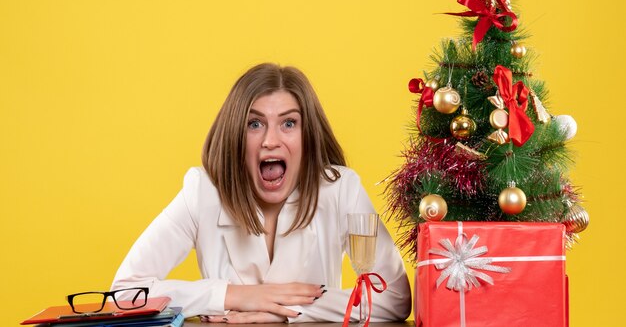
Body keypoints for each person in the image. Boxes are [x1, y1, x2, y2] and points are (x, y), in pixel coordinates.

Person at [111, 63, 411, 323]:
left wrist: (292, 308)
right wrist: (233, 296)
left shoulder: (340, 188)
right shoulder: (203, 192)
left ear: (308, 136)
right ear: (235, 136)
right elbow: (122, 294)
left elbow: (395, 297)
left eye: (289, 123)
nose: (270, 140)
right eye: (254, 124)